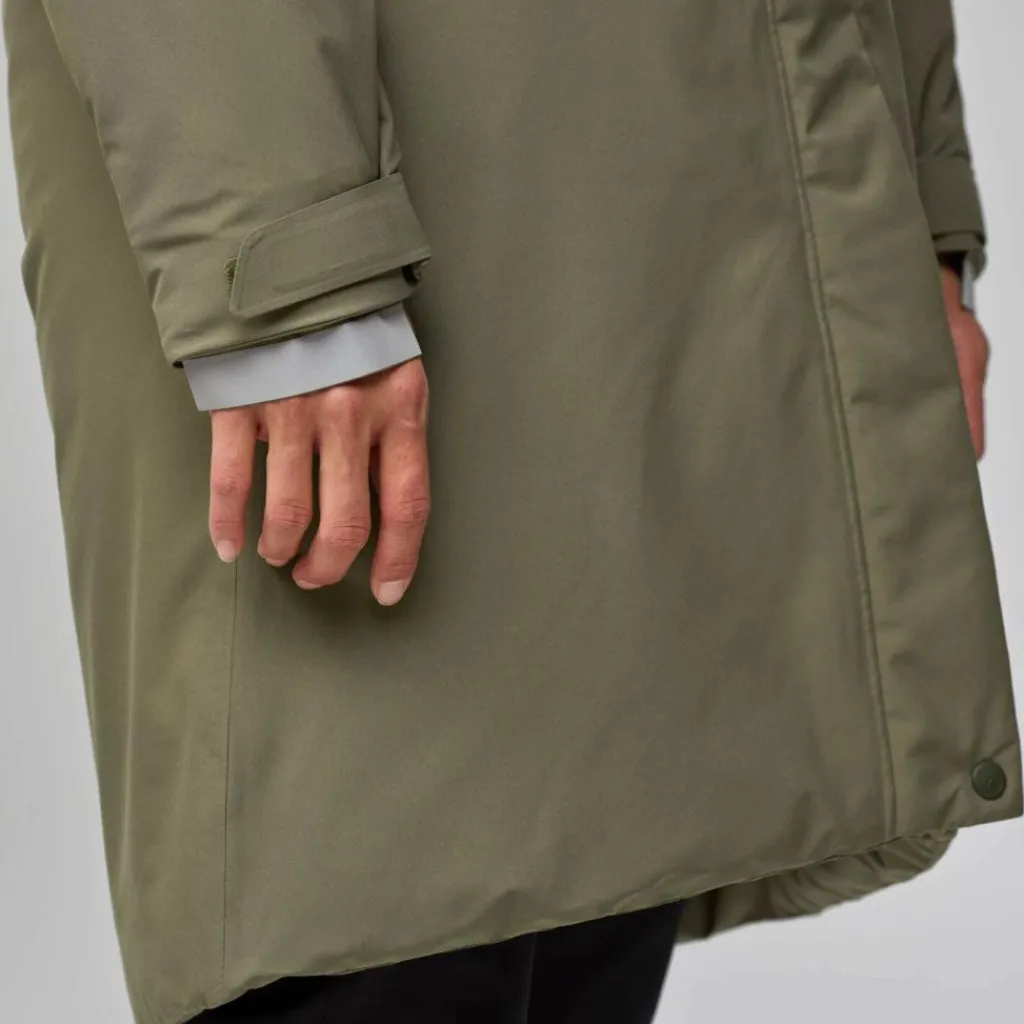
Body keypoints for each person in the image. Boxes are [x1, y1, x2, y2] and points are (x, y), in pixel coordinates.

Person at [2, 1, 1020, 1022]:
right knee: (357, 892)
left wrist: (910, 209)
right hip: (367, 248)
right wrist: (291, 264)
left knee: (591, 871)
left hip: (676, 270)